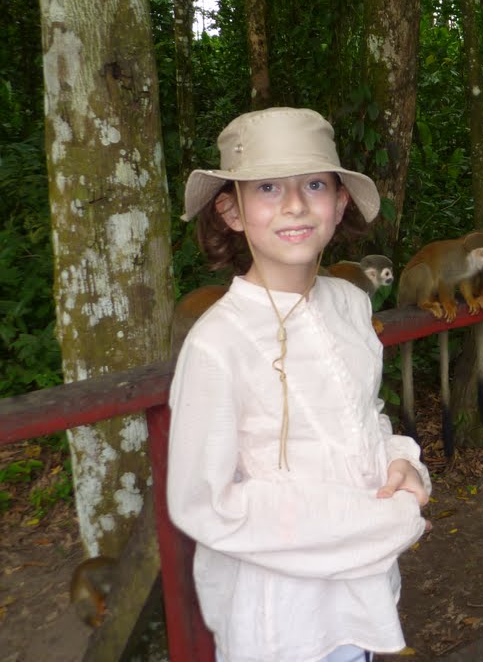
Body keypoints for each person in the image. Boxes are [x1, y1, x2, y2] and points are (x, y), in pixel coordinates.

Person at [167, 107, 431, 662]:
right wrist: (369, 523)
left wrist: (397, 459)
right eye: (267, 187)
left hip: (359, 597)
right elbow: (202, 502)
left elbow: (364, 414)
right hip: (279, 618)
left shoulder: (351, 304)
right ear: (231, 211)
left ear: (339, 203)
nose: (294, 204)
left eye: (314, 184)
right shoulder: (219, 342)